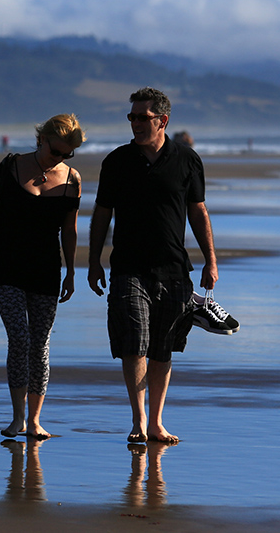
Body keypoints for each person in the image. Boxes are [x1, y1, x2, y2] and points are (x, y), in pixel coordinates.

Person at [88, 87, 218, 444]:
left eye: (142, 117)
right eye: (131, 117)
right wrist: (93, 261)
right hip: (128, 267)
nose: (135, 124)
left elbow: (198, 211)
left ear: (163, 120)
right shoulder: (116, 162)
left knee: (163, 348)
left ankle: (157, 421)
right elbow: (102, 214)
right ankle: (138, 418)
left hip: (175, 269)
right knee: (134, 343)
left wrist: (210, 260)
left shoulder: (187, 160)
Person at [0, 114, 84, 439]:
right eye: (57, 152)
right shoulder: (10, 166)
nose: (61, 159)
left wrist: (71, 271)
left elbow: (69, 228)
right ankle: (17, 417)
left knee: (40, 344)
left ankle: (35, 421)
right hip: (7, 264)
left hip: (47, 268)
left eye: (67, 154)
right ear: (42, 139)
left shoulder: (72, 179)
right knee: (19, 338)